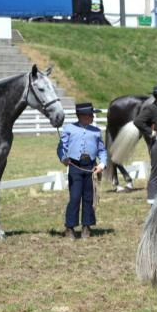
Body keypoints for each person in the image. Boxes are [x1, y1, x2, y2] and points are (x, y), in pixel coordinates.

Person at [57, 102, 107, 239]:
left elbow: (102, 150)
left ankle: (87, 226)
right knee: (74, 197)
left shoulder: (96, 131)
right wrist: (63, 158)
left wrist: (102, 164)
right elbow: (61, 147)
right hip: (75, 167)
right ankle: (70, 227)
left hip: (91, 167)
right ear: (82, 116)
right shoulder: (69, 129)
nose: (92, 117)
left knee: (89, 198)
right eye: (91, 115)